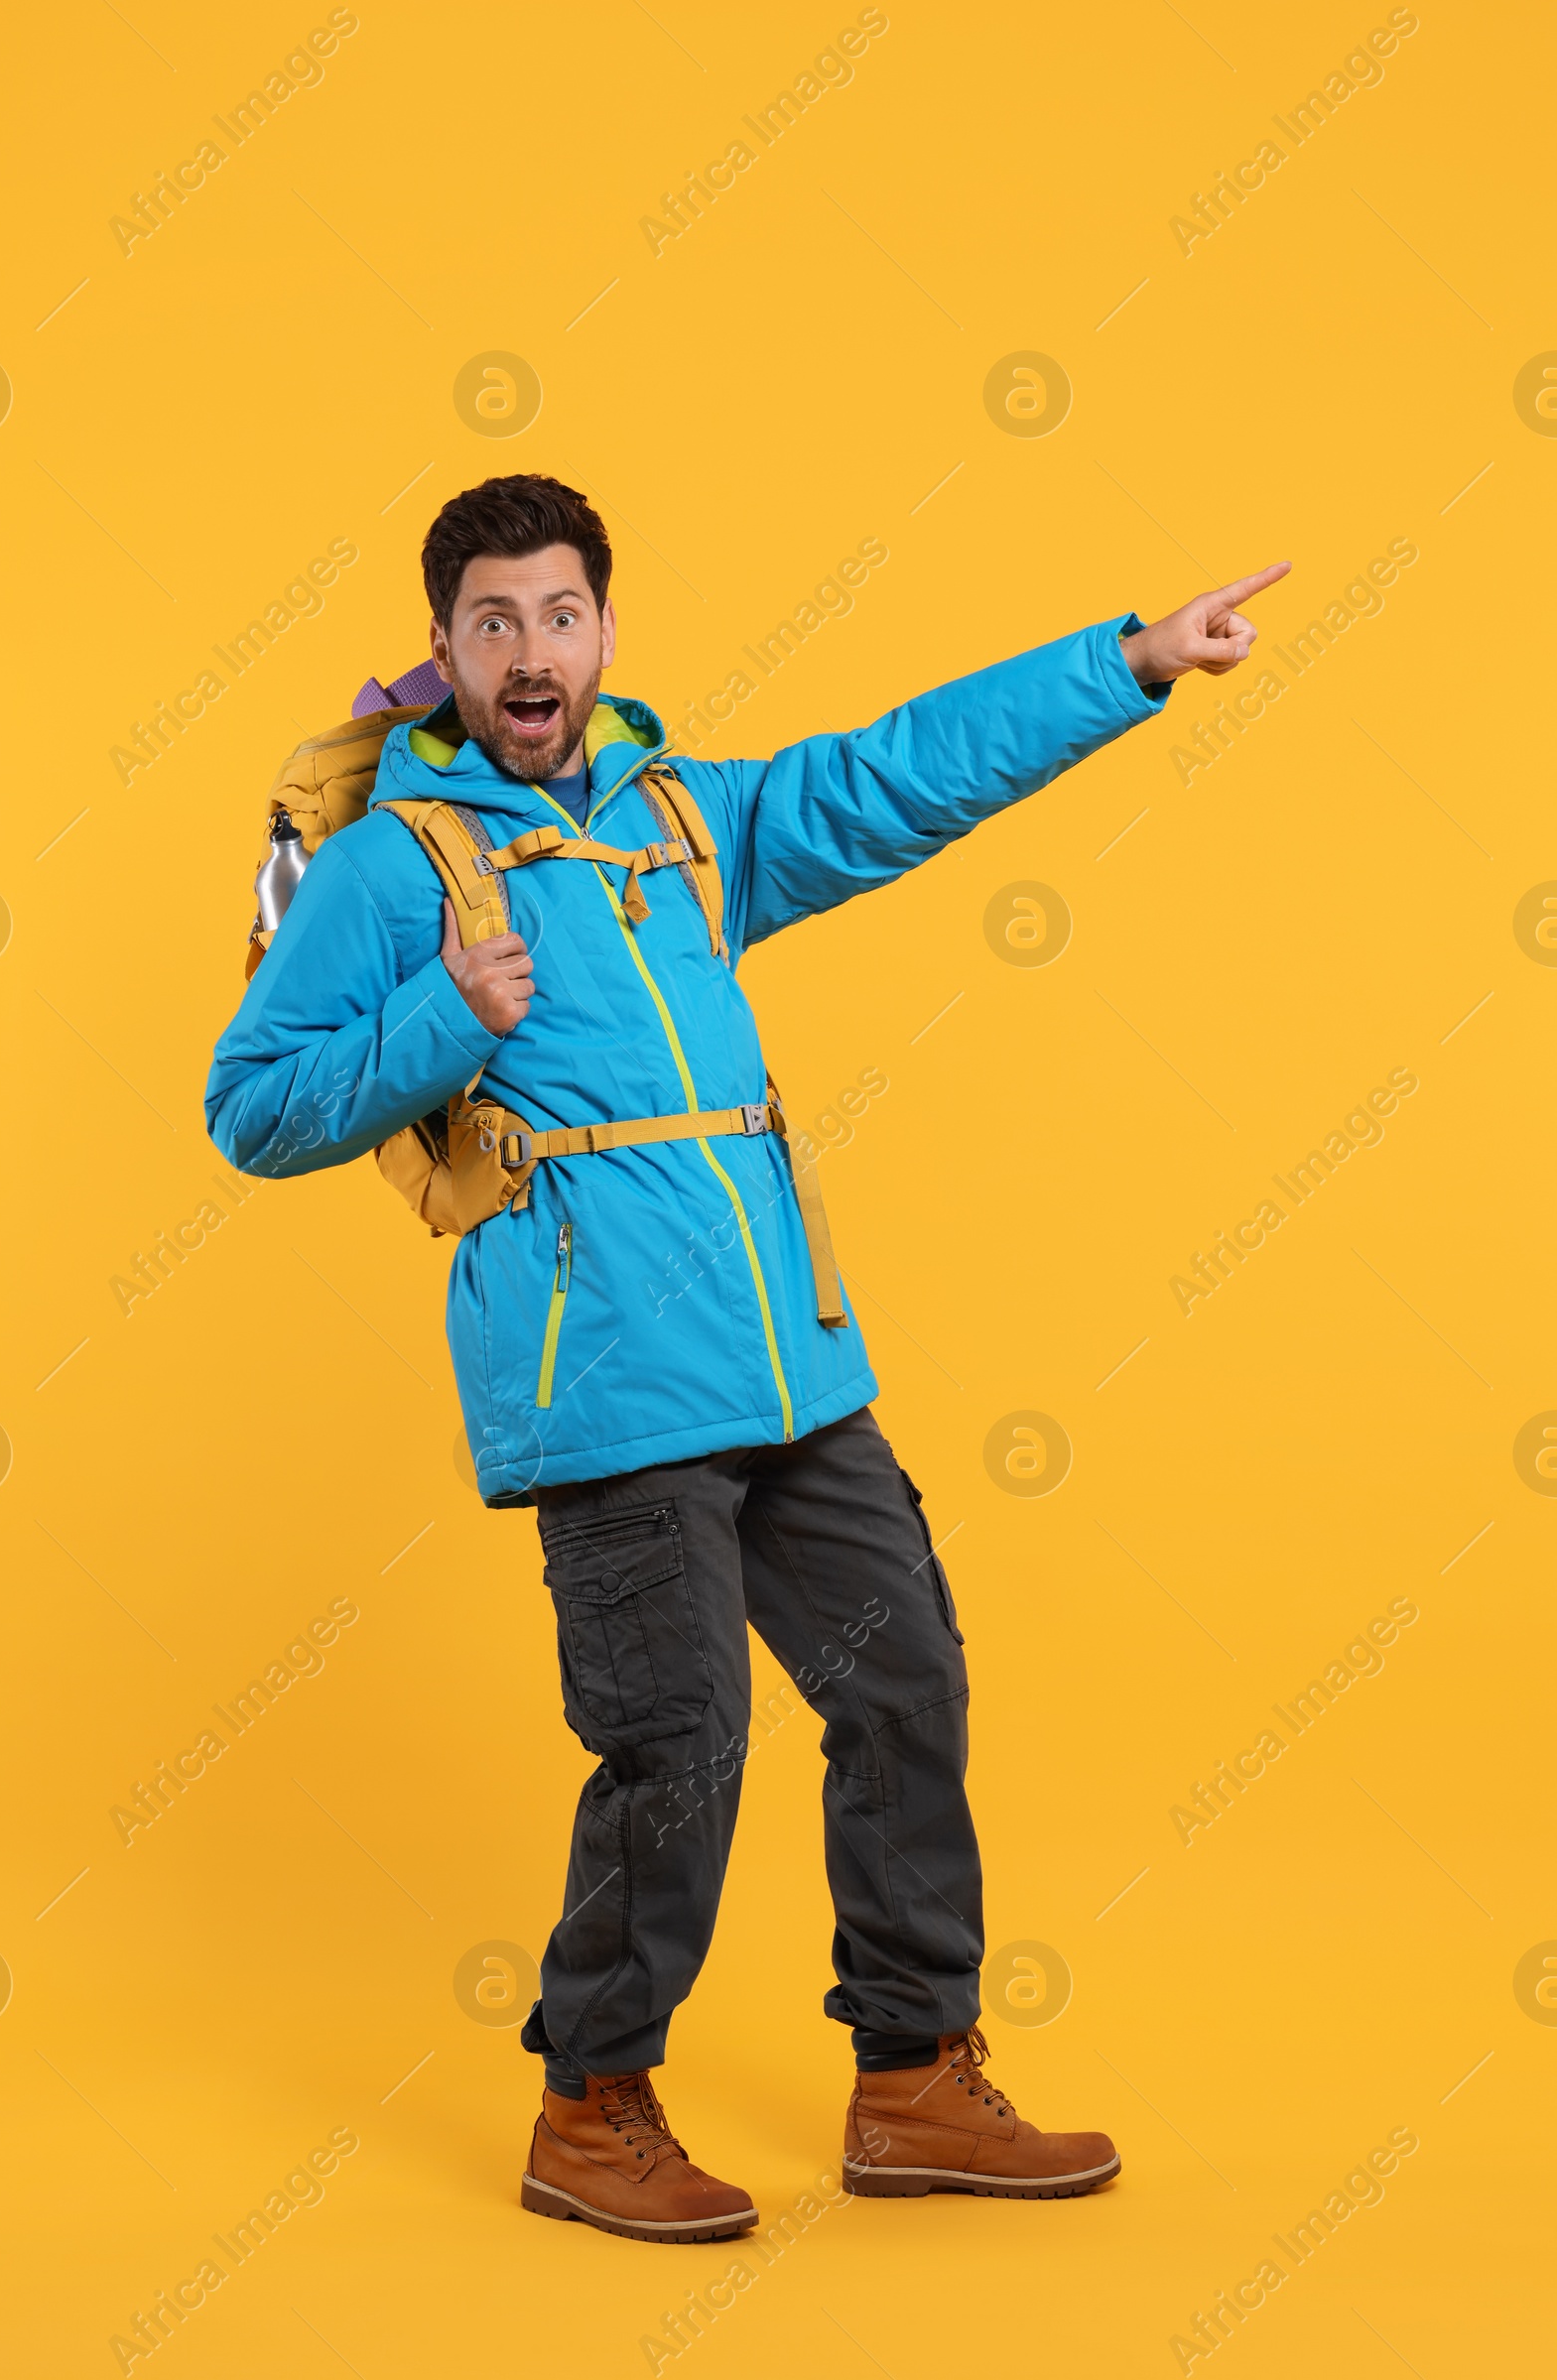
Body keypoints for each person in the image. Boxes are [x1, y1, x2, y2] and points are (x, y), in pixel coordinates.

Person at [205, 475, 1287, 2243]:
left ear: (606, 630)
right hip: (608, 1392)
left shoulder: (677, 825)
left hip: (791, 1375)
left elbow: (893, 774)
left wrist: (1130, 666)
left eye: (560, 614)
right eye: (493, 623)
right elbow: (249, 1107)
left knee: (906, 1687)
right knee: (682, 1741)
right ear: (446, 650)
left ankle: (917, 2081)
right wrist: (438, 1021)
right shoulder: (405, 867)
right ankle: (591, 2103)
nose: (530, 652)